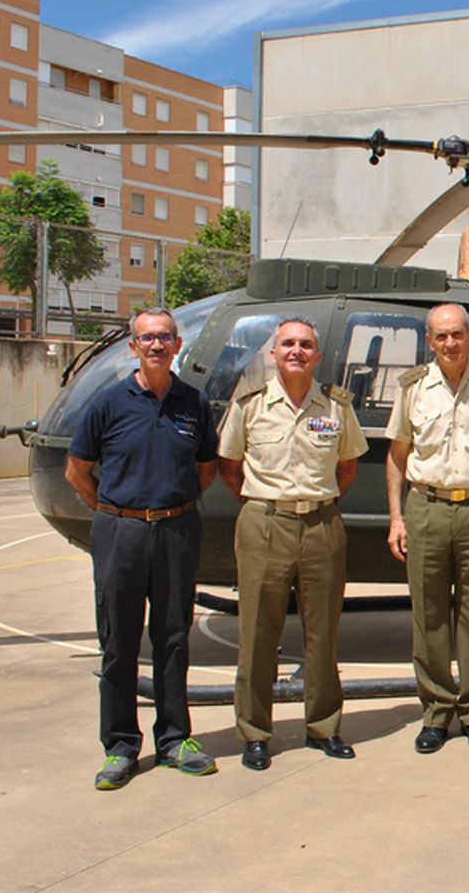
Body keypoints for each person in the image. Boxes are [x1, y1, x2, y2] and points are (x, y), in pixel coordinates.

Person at [64, 307, 219, 790]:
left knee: (173, 638)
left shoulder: (194, 403)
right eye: (147, 338)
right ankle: (120, 746)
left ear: (177, 346)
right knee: (119, 642)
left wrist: (170, 506)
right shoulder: (108, 403)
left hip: (176, 531)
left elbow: (205, 468)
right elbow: (77, 472)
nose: (156, 345)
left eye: (165, 337)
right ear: (134, 346)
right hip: (121, 533)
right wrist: (116, 512)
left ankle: (174, 739)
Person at [216, 317, 367, 771]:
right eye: (288, 344)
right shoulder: (250, 404)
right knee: (257, 634)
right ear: (274, 353)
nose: (296, 351)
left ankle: (324, 727)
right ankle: (255, 733)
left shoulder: (336, 406)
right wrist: (264, 504)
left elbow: (347, 467)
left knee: (323, 632)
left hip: (321, 524)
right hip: (265, 523)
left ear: (317, 356)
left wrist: (316, 502)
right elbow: (229, 465)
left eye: (305, 345)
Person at [385, 303, 469, 753]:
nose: (450, 343)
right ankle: (437, 713)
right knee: (430, 616)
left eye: (457, 334)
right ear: (430, 341)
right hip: (427, 508)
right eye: (441, 336)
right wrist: (397, 517)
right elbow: (397, 455)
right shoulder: (413, 387)